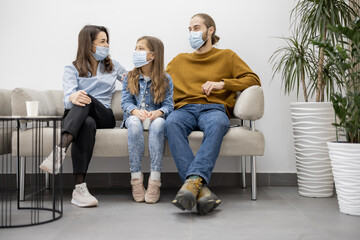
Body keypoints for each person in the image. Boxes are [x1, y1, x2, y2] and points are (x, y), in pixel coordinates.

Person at [165, 13, 261, 215]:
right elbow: (159, 82)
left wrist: (222, 84)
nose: (192, 32)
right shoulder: (179, 61)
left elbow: (253, 79)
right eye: (189, 29)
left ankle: (193, 184)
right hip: (184, 108)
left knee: (218, 123)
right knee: (171, 123)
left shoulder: (227, 56)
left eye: (197, 27)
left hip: (214, 108)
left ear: (210, 30)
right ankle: (199, 188)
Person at [40, 25, 127, 207]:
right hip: (79, 116)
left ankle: (59, 150)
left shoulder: (113, 66)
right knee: (86, 123)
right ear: (89, 45)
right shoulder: (71, 68)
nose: (107, 45)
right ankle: (80, 189)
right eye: (102, 42)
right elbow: (68, 97)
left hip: (103, 115)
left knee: (85, 98)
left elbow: (132, 81)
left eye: (107, 41)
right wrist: (73, 95)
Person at [121, 36, 174, 204]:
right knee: (135, 123)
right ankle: (136, 180)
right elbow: (125, 102)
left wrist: (158, 113)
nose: (136, 52)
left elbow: (168, 105)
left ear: (153, 55)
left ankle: (154, 180)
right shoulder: (129, 77)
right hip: (134, 117)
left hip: (154, 117)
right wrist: (135, 111)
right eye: (135, 48)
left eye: (141, 48)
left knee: (159, 123)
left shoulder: (166, 79)